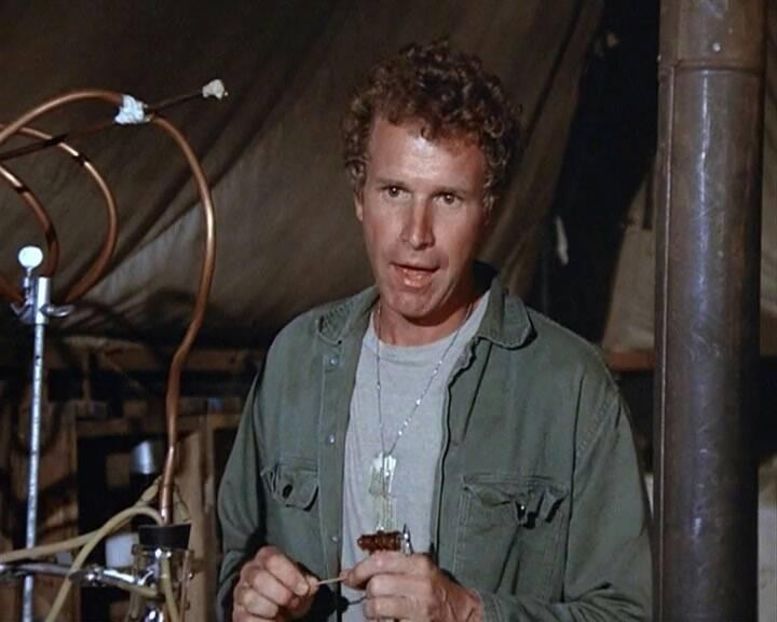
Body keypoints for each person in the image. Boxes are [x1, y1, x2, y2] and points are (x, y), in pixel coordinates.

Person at [217, 41, 651, 621]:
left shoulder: (568, 387)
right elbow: (233, 566)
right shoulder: (295, 360)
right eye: (394, 192)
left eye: (447, 198)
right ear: (359, 198)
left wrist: (466, 612)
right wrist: (246, 598)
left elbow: (629, 613)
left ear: (487, 211)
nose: (416, 233)